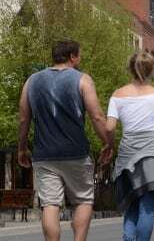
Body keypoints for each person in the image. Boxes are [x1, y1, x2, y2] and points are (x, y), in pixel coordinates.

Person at [17, 40, 114, 241]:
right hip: (76, 153)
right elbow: (97, 117)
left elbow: (24, 118)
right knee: (83, 201)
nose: (81, 58)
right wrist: (108, 143)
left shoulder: (31, 81)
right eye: (80, 55)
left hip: (44, 155)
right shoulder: (83, 80)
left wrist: (22, 148)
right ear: (72, 57)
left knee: (50, 204)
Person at [106, 51, 154, 241]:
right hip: (153, 154)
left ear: (130, 69)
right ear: (151, 71)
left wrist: (110, 147)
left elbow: (109, 127)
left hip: (128, 155)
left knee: (131, 206)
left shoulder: (117, 95)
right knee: (147, 207)